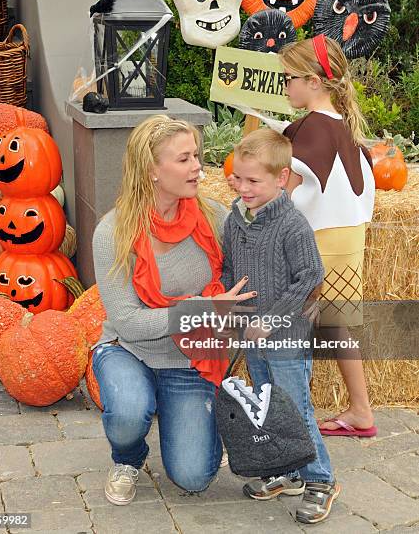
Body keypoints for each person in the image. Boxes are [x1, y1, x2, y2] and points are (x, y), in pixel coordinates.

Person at [91, 115, 256, 506]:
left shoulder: (216, 218)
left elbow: (249, 276)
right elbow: (128, 323)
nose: (198, 166)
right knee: (129, 412)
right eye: (184, 159)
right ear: (152, 170)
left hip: (190, 360)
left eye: (196, 156)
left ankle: (194, 415)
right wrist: (200, 309)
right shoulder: (112, 232)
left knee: (194, 477)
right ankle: (128, 457)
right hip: (128, 350)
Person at [221, 128, 340, 525]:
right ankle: (286, 470)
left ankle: (320, 479)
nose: (243, 186)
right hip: (252, 336)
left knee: (295, 408)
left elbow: (309, 278)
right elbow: (228, 270)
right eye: (238, 178)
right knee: (267, 403)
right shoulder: (234, 221)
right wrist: (232, 306)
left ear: (282, 178)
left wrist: (271, 320)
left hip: (285, 337)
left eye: (253, 180)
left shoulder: (292, 226)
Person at [279, 35, 377, 437]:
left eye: (289, 79)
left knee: (291, 329)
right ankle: (361, 411)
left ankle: (292, 422)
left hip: (316, 242)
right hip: (349, 240)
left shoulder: (308, 130)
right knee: (335, 326)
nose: (285, 88)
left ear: (315, 81)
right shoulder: (348, 131)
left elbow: (279, 196)